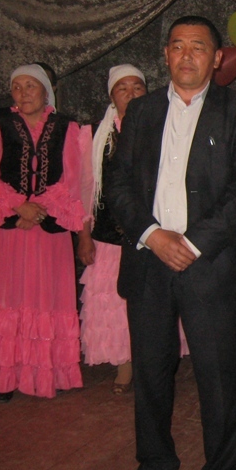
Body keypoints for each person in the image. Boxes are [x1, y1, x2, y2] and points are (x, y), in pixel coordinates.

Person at [105, 16, 236, 470]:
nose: (187, 55)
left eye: (198, 46)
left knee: (218, 378)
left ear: (217, 58)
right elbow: (118, 183)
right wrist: (153, 235)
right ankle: (154, 464)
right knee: (151, 372)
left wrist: (191, 244)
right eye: (177, 46)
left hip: (211, 266)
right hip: (149, 263)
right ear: (166, 55)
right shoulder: (143, 110)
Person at [0, 64, 85, 402]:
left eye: (30, 85)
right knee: (6, 297)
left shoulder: (66, 127)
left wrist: (38, 210)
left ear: (46, 90)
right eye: (17, 87)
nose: (23, 93)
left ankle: (46, 371)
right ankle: (3, 376)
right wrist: (20, 206)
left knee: (44, 299)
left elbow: (71, 180)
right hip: (6, 228)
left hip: (47, 229)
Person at [76, 65, 148, 396]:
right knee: (115, 301)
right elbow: (84, 188)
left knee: (148, 302)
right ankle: (124, 362)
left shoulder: (159, 126)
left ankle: (148, 359)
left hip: (149, 234)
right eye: (123, 88)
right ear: (111, 95)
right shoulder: (93, 134)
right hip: (108, 235)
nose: (131, 94)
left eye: (137, 88)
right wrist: (84, 235)